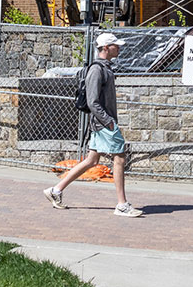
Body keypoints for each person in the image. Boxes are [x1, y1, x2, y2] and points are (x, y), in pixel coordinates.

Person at [44, 32, 141, 217]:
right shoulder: (97, 70)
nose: (118, 48)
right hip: (104, 124)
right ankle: (122, 205)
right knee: (119, 158)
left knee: (92, 160)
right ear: (105, 48)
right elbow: (92, 101)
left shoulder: (105, 68)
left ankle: (56, 191)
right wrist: (109, 122)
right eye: (115, 45)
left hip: (102, 123)